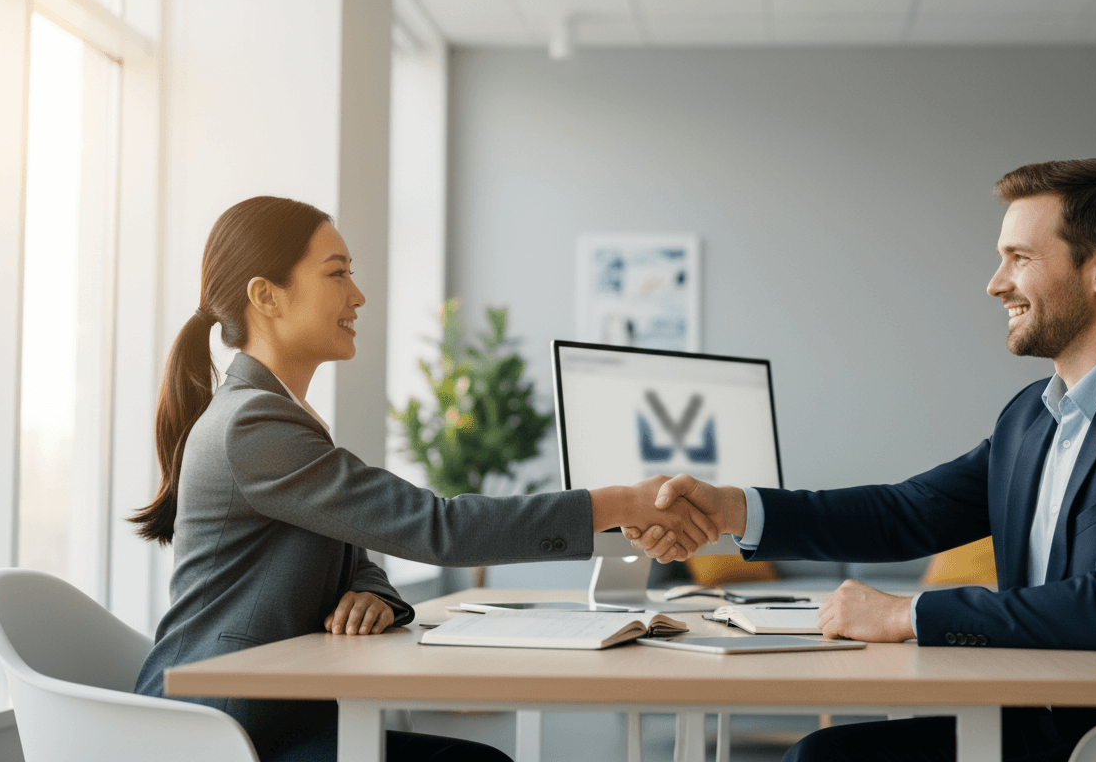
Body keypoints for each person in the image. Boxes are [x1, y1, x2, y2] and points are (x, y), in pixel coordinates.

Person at [626, 159, 1096, 762]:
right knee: (823, 755)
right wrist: (735, 508)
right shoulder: (1032, 417)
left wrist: (906, 615)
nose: (996, 284)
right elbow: (907, 514)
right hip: (1047, 721)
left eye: (1019, 258)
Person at [131, 196, 714, 762]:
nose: (357, 295)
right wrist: (618, 502)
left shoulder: (273, 416)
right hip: (222, 730)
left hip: (269, 716)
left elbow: (352, 558)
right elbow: (437, 528)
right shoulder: (254, 425)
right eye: (337, 274)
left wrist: (377, 596)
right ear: (266, 296)